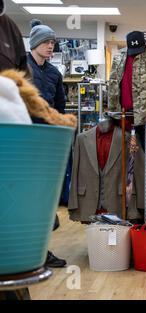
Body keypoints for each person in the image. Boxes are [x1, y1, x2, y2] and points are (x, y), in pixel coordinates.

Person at [27, 19, 67, 268]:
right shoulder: (21, 68)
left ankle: (41, 251)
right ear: (34, 44)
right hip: (22, 139)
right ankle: (26, 251)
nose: (50, 46)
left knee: (43, 196)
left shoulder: (54, 73)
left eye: (52, 42)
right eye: (45, 42)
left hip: (45, 141)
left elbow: (59, 107)